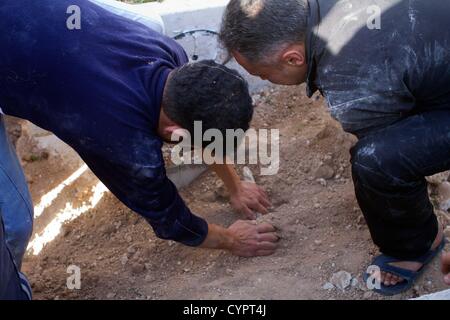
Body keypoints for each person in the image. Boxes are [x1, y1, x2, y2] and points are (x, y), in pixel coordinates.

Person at [0, 0, 279, 299]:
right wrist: (231, 240)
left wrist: (234, 185)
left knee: (150, 21)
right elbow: (172, 222)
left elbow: (196, 124)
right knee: (13, 224)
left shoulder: (169, 56)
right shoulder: (125, 143)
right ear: (177, 133)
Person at [220, 0, 449, 295]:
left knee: (375, 161)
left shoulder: (351, 77)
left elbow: (387, 141)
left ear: (292, 59)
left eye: (264, 75)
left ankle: (416, 245)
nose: (266, 80)